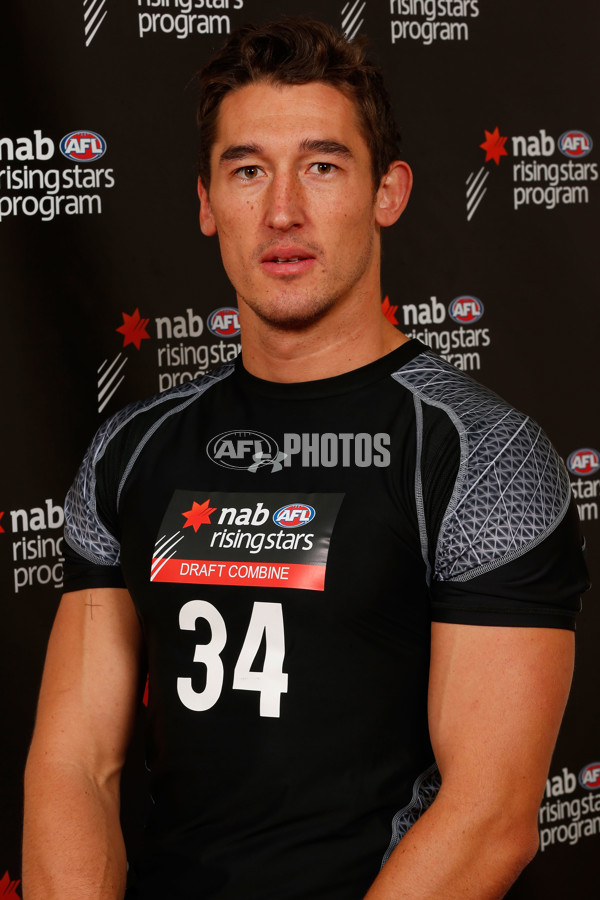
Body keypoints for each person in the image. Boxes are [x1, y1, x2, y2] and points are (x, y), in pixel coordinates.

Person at [23, 17, 589, 900]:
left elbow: (491, 817)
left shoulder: (481, 454)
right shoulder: (130, 452)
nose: (282, 210)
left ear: (388, 192)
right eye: (247, 170)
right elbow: (74, 765)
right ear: (207, 202)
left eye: (322, 166)